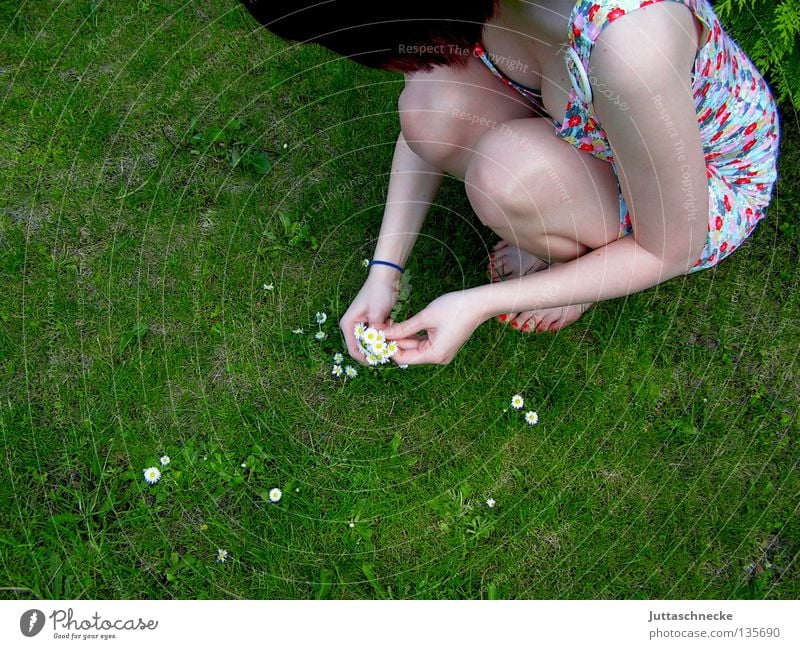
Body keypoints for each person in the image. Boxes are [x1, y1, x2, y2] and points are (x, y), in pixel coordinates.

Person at [240, 0, 780, 366]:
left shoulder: (630, 45)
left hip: (702, 183)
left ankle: (581, 270)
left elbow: (672, 248)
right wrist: (385, 269)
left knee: (507, 177)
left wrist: (478, 303)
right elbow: (423, 125)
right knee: (429, 106)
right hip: (603, 128)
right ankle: (579, 238)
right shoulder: (473, 7)